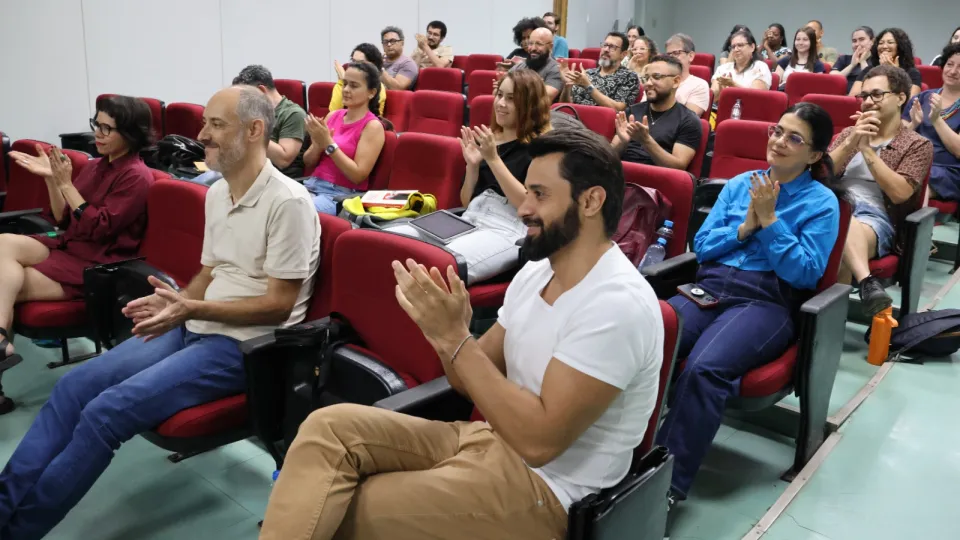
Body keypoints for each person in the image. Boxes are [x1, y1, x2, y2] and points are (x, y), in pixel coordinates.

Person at [258, 127, 663, 540]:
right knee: (329, 428)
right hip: (489, 438)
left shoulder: (616, 305)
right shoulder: (539, 272)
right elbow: (464, 380)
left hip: (551, 491)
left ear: (591, 201)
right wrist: (445, 330)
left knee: (345, 504)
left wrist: (456, 339)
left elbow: (539, 442)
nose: (522, 208)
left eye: (539, 195)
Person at [0, 86, 321, 538]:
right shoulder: (218, 193)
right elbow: (210, 271)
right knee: (74, 387)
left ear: (254, 131)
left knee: (104, 412)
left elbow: (280, 305)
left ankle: (19, 529)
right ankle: (3, 503)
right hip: (196, 322)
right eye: (205, 122)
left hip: (242, 346)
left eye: (215, 124)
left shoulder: (288, 202)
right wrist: (179, 301)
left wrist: (190, 306)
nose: (201, 134)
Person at [654, 102, 841, 503]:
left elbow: (806, 273)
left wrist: (771, 222)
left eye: (795, 138)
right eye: (777, 131)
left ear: (814, 155)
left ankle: (662, 487)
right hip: (710, 285)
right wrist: (745, 228)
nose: (779, 141)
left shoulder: (822, 203)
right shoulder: (741, 183)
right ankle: (619, 455)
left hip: (766, 300)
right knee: (646, 337)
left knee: (704, 369)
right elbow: (701, 247)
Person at [0, 96, 155, 415]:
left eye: (106, 128)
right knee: (3, 242)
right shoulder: (97, 166)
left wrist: (65, 183)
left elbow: (99, 228)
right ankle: (0, 340)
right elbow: (63, 218)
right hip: (71, 244)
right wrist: (53, 182)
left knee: (7, 281)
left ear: (129, 132)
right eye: (96, 124)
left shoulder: (137, 176)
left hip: (96, 263)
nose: (98, 133)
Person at [385, 69, 551, 284]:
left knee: (435, 269)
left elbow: (528, 208)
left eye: (511, 99)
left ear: (529, 104)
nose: (501, 103)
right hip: (470, 218)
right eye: (499, 95)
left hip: (508, 227)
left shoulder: (541, 148)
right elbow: (466, 202)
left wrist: (493, 160)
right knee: (390, 244)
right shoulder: (491, 139)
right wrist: (472, 166)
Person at [829, 65, 933, 315]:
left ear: (900, 97)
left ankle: (822, 332)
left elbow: (900, 193)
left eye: (877, 94)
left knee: (841, 231)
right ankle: (867, 284)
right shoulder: (848, 133)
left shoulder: (917, 145)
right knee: (838, 214)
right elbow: (820, 174)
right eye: (864, 96)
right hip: (832, 205)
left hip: (875, 219)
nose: (868, 102)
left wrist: (867, 150)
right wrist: (853, 140)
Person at [304, 62, 387, 215]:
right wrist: (317, 143)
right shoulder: (332, 116)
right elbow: (308, 161)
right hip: (311, 185)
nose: (346, 90)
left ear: (371, 93)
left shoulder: (373, 126)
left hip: (338, 197)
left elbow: (357, 175)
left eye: (354, 86)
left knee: (294, 210)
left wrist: (328, 143)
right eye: (345, 84)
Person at [613, 55, 702, 171]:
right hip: (622, 175)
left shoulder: (688, 120)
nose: (648, 83)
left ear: (675, 81)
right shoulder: (632, 111)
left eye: (656, 77)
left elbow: (678, 167)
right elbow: (610, 156)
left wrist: (646, 141)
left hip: (657, 182)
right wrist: (623, 143)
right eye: (646, 78)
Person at [904, 43, 960, 201]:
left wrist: (937, 120)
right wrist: (913, 124)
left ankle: (914, 224)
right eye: (950, 64)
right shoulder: (922, 98)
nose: (953, 71)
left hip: (948, 171)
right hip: (913, 161)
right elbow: (898, 138)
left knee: (916, 182)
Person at [232, 64, 308, 177]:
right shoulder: (254, 111)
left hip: (278, 180)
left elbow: (283, 160)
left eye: (245, 97)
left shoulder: (293, 114)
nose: (242, 102)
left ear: (261, 91)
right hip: (248, 172)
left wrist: (249, 130)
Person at [559, 32, 640, 112]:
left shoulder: (629, 77)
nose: (606, 49)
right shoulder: (587, 74)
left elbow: (618, 109)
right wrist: (567, 87)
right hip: (573, 121)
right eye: (605, 45)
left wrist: (588, 86)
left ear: (623, 54)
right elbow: (564, 109)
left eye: (612, 47)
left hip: (601, 123)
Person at [850, 28, 923, 98]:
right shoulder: (868, 70)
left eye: (890, 42)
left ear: (900, 47)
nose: (884, 46)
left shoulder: (912, 73)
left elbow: (910, 102)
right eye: (881, 43)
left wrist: (895, 73)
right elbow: (853, 97)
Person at [712, 29, 772, 104]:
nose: (736, 49)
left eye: (740, 45)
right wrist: (721, 90)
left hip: (750, 112)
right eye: (733, 47)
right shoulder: (723, 69)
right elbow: (712, 99)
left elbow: (757, 98)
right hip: (722, 110)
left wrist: (733, 85)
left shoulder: (760, 67)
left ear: (752, 47)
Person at [657, 33, 711, 117]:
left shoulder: (699, 85)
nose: (671, 58)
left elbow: (686, 119)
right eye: (668, 55)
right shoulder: (657, 81)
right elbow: (643, 110)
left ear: (691, 56)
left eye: (676, 53)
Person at [329, 43, 387, 115]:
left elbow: (369, 117)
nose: (354, 66)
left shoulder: (377, 87)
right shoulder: (343, 83)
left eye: (360, 63)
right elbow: (333, 114)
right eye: (353, 61)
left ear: (372, 67)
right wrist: (343, 81)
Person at [511, 27, 564, 102]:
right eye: (530, 43)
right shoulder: (520, 66)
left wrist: (513, 90)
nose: (533, 48)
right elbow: (499, 93)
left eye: (539, 44)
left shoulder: (556, 69)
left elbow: (544, 99)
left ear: (550, 47)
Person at [832, 26, 875, 94]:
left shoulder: (877, 60)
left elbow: (872, 82)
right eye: (854, 41)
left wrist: (863, 61)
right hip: (842, 97)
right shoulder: (844, 59)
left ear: (872, 41)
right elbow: (832, 80)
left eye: (862, 39)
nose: (857, 44)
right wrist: (852, 65)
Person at [380, 26, 419, 90]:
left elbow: (397, 88)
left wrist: (379, 68)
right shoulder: (380, 60)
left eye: (393, 41)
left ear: (402, 43)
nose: (389, 44)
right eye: (385, 42)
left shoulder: (408, 64)